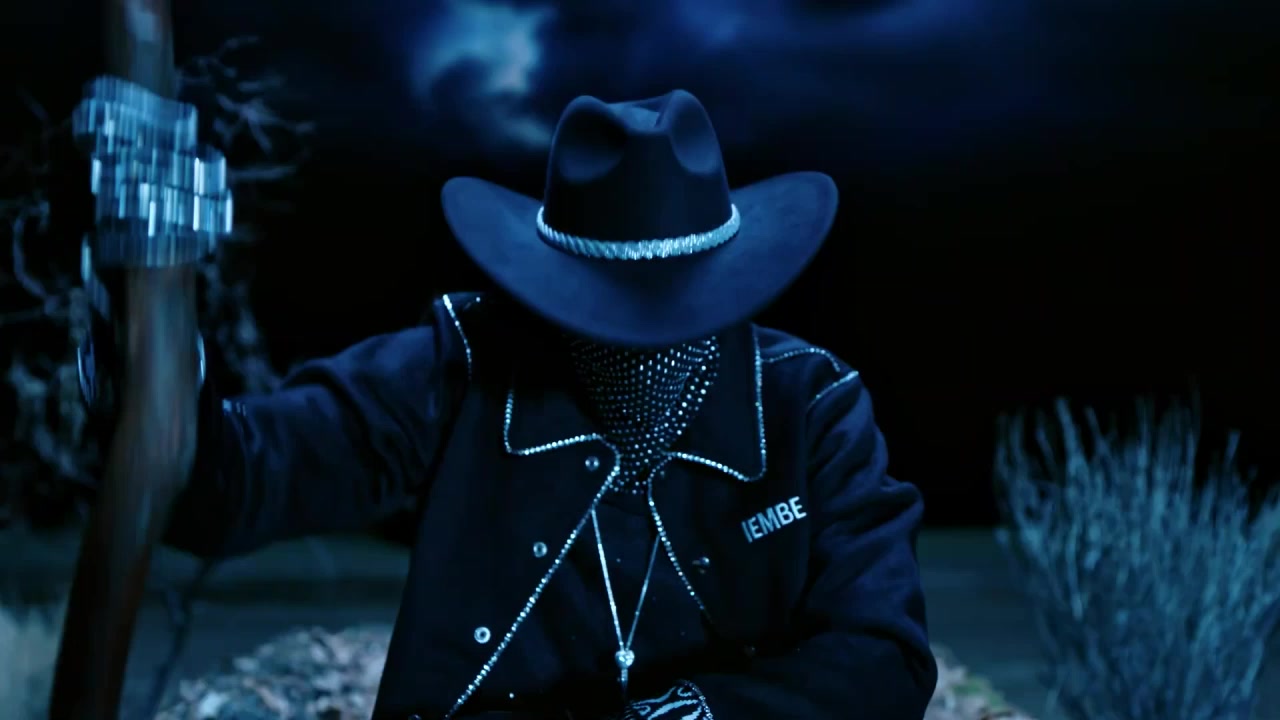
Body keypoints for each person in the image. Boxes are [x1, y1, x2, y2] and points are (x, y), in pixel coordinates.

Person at [82, 89, 937, 720]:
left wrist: (687, 717)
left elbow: (882, 655)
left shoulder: (811, 406)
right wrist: (148, 326)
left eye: (675, 317)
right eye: (609, 319)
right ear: (556, 288)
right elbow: (228, 489)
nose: (644, 347)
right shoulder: (459, 369)